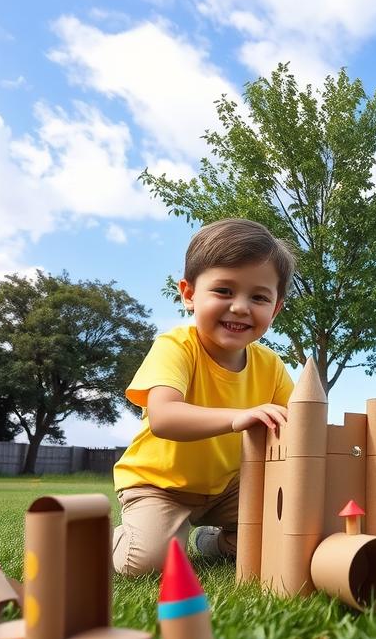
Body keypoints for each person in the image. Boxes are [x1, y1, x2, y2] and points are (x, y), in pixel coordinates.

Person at [113, 218, 296, 576]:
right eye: (224, 291)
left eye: (258, 297)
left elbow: (296, 428)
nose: (241, 307)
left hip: (228, 488)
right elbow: (165, 418)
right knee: (147, 562)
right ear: (189, 295)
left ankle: (214, 542)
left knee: (285, 532)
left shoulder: (271, 365)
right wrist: (236, 417)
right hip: (159, 485)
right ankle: (113, 539)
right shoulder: (176, 347)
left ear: (275, 309)